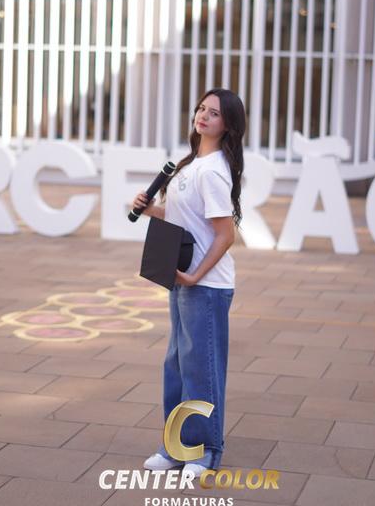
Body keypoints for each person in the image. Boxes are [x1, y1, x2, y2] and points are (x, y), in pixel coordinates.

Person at [131, 88, 246, 477]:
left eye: (214, 113)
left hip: (206, 286)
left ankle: (205, 452)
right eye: (201, 108)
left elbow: (226, 234)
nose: (203, 116)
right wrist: (152, 210)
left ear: (228, 125)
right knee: (177, 367)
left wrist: (197, 275)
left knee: (201, 370)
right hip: (182, 278)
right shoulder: (191, 164)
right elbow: (186, 218)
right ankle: (176, 447)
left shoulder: (212, 170)